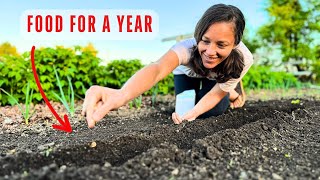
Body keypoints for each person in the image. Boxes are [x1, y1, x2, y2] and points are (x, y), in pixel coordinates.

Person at [81, 3, 253, 128]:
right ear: (198, 36)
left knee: (210, 111)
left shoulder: (244, 58)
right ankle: (226, 89)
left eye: (221, 45)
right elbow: (157, 69)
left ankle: (231, 91)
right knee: (186, 105)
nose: (209, 51)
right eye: (205, 41)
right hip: (186, 74)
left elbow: (215, 95)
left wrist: (194, 113)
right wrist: (122, 94)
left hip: (216, 76)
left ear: (236, 43)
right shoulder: (186, 48)